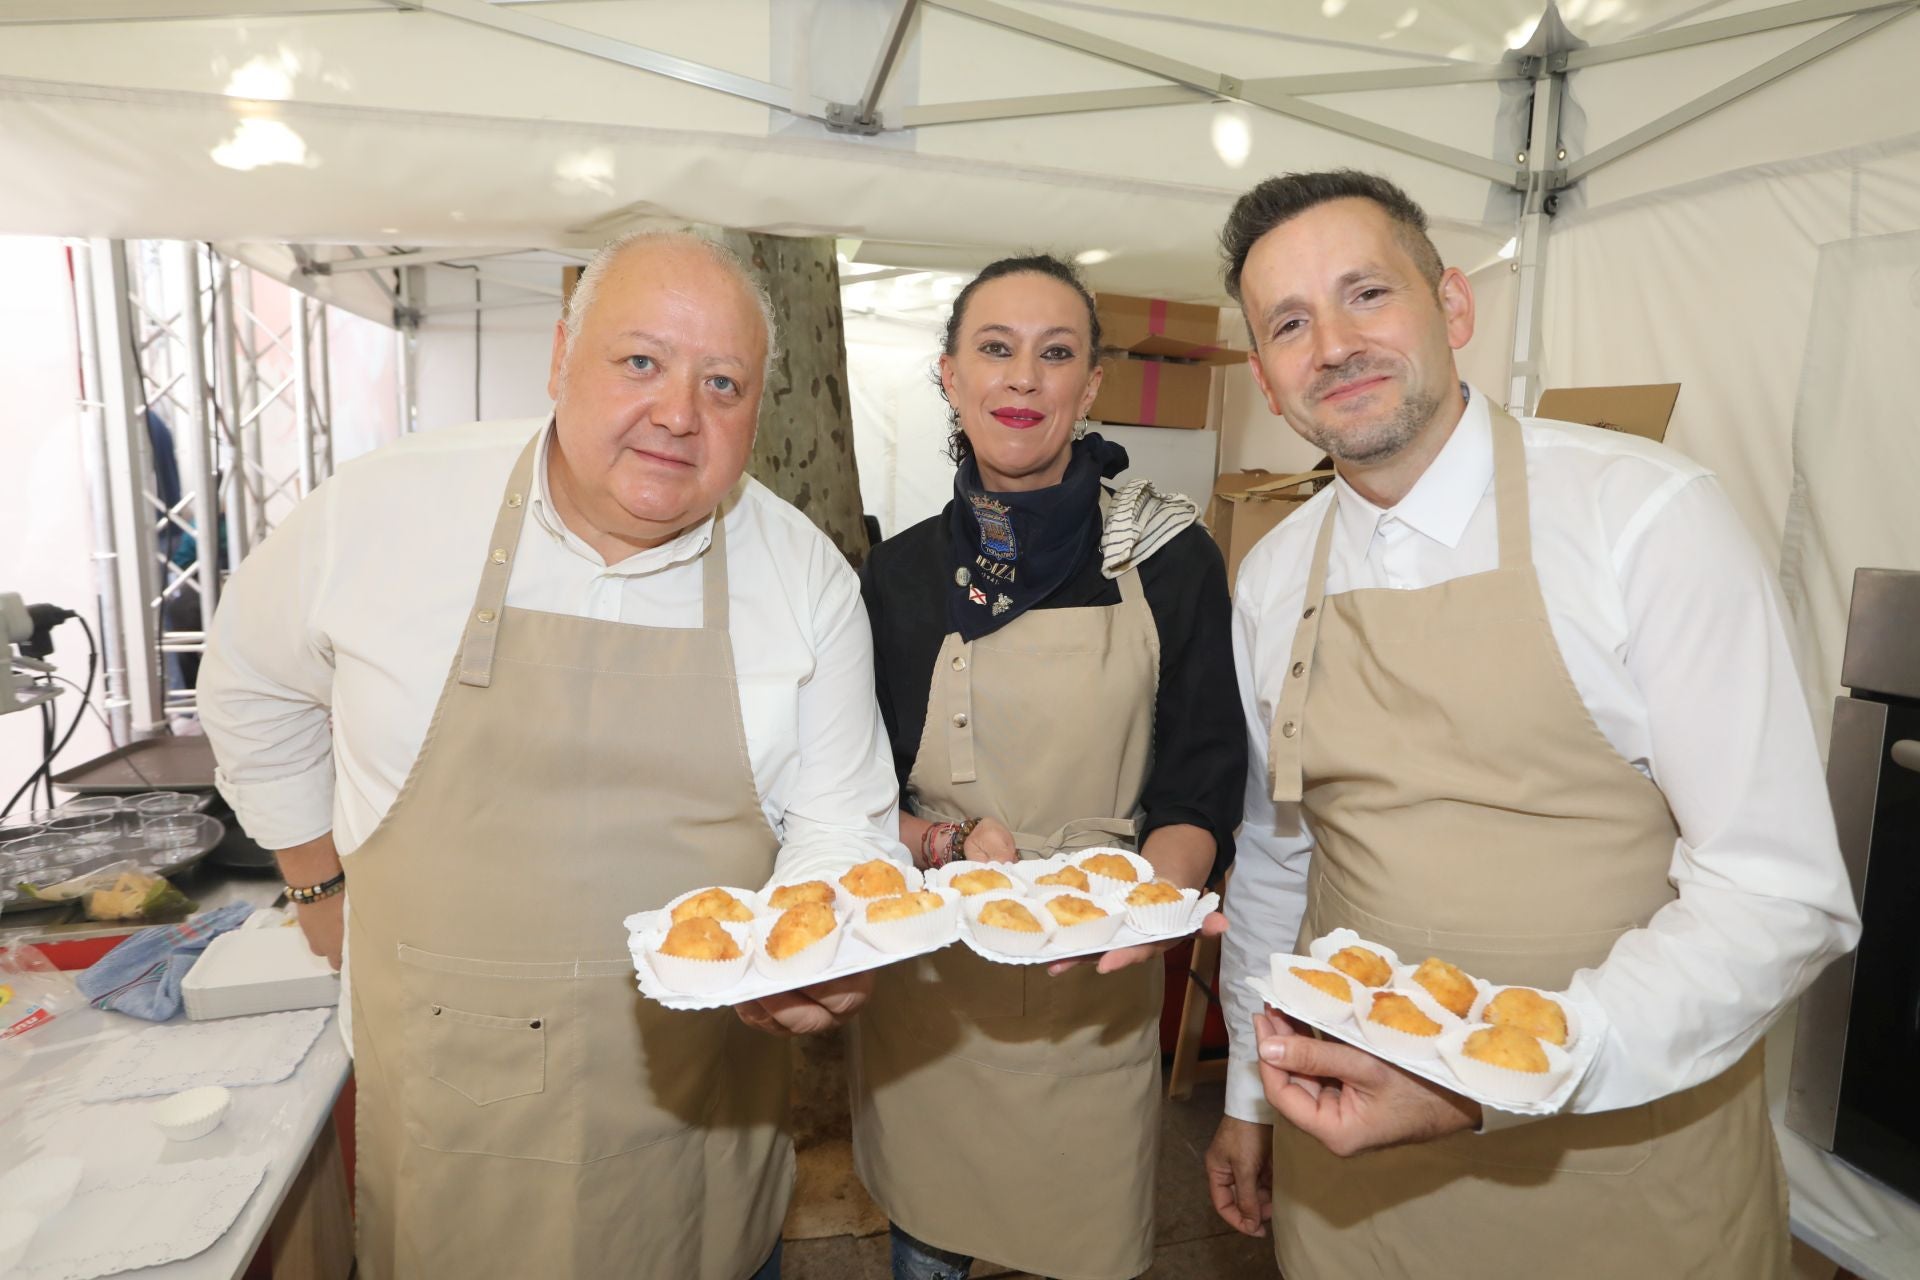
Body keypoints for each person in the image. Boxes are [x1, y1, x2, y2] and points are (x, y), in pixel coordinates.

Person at [198, 231, 905, 1280]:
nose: (679, 412)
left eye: (723, 381)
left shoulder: (804, 575)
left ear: (758, 410)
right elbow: (251, 683)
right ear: (559, 357)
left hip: (694, 1136)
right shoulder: (384, 512)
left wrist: (822, 945)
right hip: (454, 1135)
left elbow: (842, 824)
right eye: (640, 361)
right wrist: (315, 878)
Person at [1205, 170, 1863, 1278]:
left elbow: (1777, 890)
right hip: (1355, 1176)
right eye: (1289, 322)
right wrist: (1245, 1095)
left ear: (1454, 308)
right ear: (1268, 380)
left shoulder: (1644, 521)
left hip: (1615, 1164)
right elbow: (1280, 854)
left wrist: (1503, 1070)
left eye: (1368, 293)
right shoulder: (1272, 576)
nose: (1334, 343)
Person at [849, 255, 1245, 1280]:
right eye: (995, 348)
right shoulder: (896, 574)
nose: (1023, 378)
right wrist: (938, 843)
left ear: (1091, 385)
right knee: (928, 1247)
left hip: (1095, 994)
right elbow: (850, 796)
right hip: (933, 997)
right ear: (948, 376)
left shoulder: (1169, 558)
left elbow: (1203, 775)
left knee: (1089, 1246)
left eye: (1055, 352)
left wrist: (1140, 901)